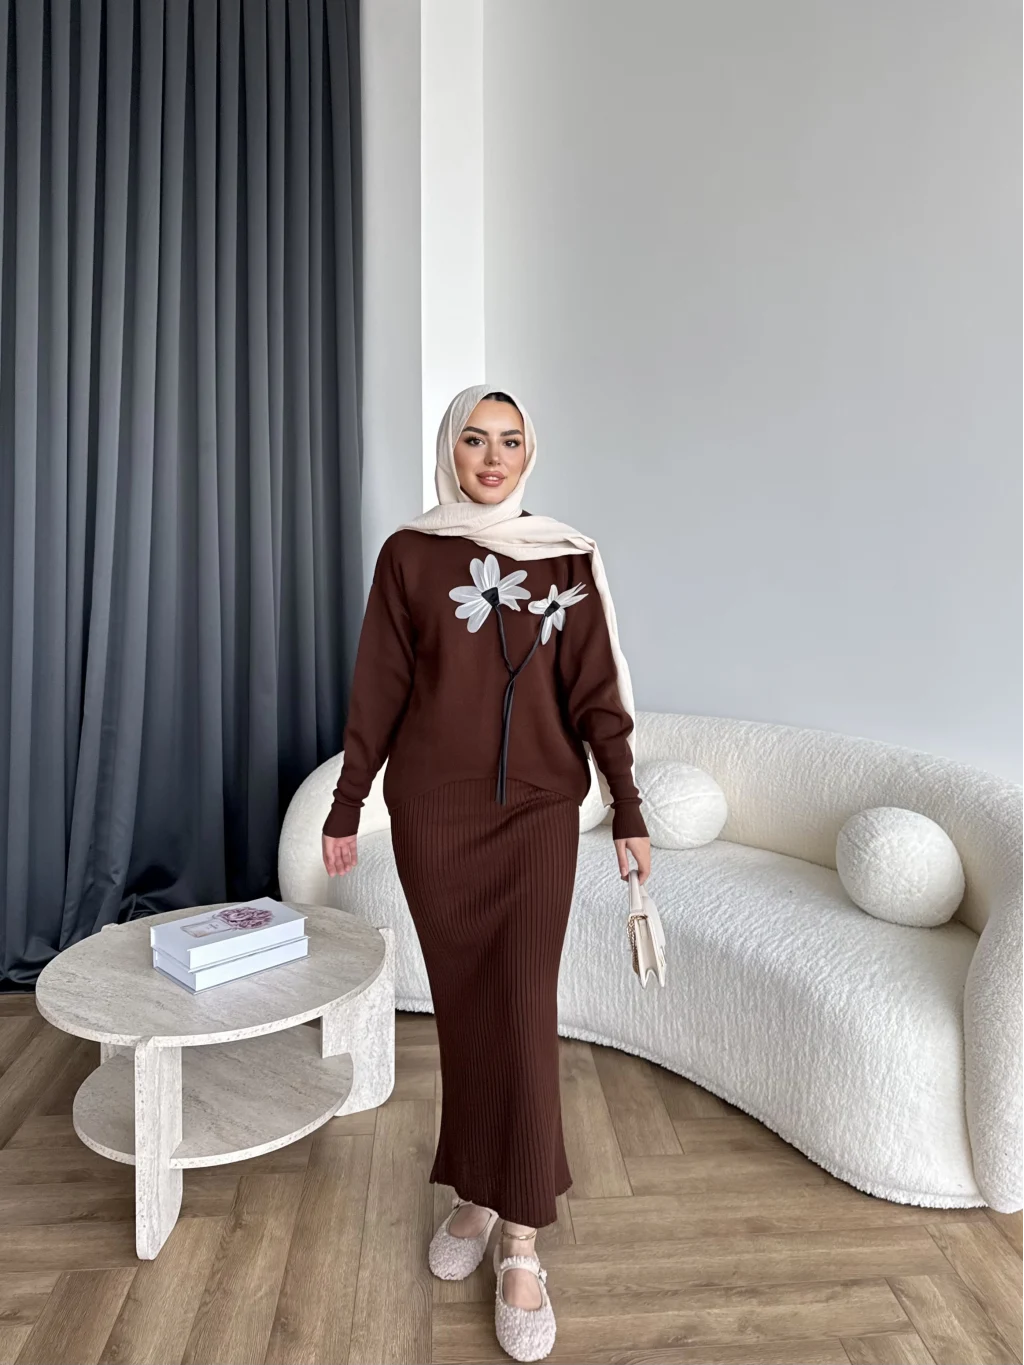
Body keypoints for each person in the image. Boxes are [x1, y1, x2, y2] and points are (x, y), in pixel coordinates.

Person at [321, 383, 651, 1363]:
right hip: (435, 817)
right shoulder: (410, 556)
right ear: (450, 450)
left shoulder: (564, 556)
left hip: (538, 815)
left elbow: (596, 693)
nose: (493, 457)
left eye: (510, 441)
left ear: (529, 453)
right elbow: (379, 688)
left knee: (520, 1009)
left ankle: (522, 1240)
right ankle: (473, 1191)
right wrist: (348, 802)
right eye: (475, 439)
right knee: (467, 1012)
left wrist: (629, 807)